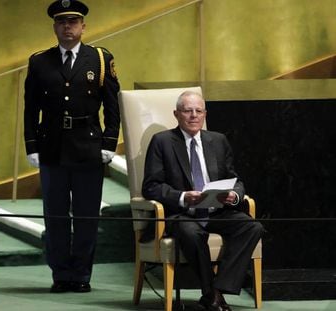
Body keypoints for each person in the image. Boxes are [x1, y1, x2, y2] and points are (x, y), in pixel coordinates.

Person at [23, 0, 120, 293]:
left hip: (88, 147)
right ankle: (60, 274)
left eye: (73, 21)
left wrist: (109, 142)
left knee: (86, 215)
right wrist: (32, 146)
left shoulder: (100, 59)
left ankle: (81, 275)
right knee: (55, 215)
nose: (68, 27)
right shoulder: (40, 61)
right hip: (52, 147)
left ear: (83, 26)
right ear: (55, 27)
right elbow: (31, 109)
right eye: (62, 22)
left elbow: (112, 106)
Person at [142, 91, 263, 311]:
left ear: (205, 114)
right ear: (176, 114)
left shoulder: (217, 140)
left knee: (252, 227)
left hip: (216, 210)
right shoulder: (162, 141)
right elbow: (151, 187)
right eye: (188, 111)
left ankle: (215, 290)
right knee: (192, 232)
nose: (193, 116)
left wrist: (234, 195)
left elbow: (235, 179)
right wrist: (182, 197)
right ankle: (211, 293)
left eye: (198, 111)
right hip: (182, 214)